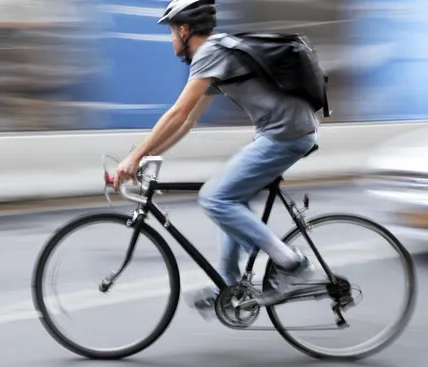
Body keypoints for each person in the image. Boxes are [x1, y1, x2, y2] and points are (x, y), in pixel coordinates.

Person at [112, 0, 319, 318]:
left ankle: (291, 263)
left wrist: (133, 156)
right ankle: (230, 284)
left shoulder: (210, 54)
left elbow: (177, 112)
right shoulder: (219, 53)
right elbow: (187, 122)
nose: (170, 40)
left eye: (171, 32)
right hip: (281, 133)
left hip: (285, 135)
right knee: (229, 197)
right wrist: (147, 156)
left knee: (214, 198)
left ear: (184, 30)